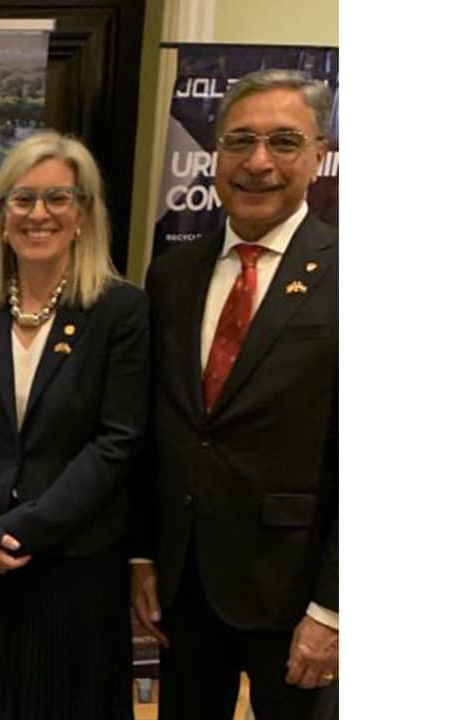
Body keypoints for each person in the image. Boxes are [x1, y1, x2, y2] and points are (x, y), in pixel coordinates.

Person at [130, 68, 339, 720]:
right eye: (239, 141)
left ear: (318, 154)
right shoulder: (171, 275)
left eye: (283, 142)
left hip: (294, 593)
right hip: (184, 587)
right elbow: (155, 425)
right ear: (214, 154)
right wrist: (142, 554)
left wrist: (335, 607)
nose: (257, 163)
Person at [0, 131, 148, 719]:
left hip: (75, 567)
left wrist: (25, 529)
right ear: (1, 217)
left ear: (83, 214)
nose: (38, 214)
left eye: (57, 198)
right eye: (21, 199)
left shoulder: (119, 312)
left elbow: (117, 442)